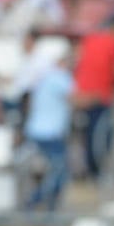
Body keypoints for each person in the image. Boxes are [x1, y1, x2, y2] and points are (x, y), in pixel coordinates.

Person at [72, 15, 114, 182]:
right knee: (101, 137)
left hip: (81, 96)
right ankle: (96, 171)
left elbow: (76, 61)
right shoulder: (113, 44)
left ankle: (86, 170)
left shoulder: (89, 40)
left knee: (86, 135)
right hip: (100, 97)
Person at [20, 48, 73, 211]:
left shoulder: (44, 77)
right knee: (59, 172)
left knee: (49, 171)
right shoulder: (60, 78)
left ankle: (45, 204)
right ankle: (36, 201)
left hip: (35, 131)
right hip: (50, 133)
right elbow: (76, 98)